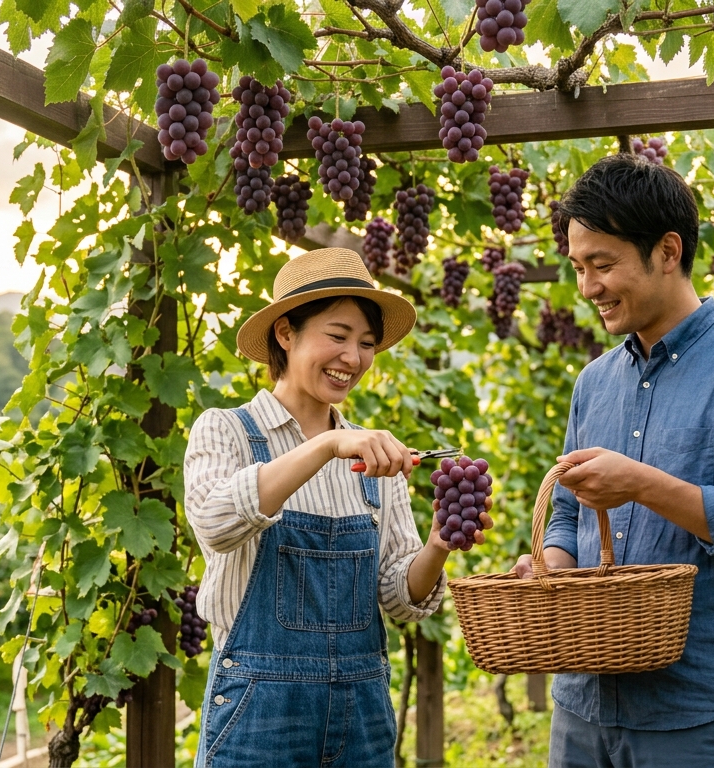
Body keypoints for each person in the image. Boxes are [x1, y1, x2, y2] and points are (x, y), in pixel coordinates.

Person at [510, 155, 714, 767]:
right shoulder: (593, 382)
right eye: (578, 267)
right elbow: (566, 510)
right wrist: (556, 567)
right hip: (582, 706)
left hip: (696, 712)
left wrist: (643, 485)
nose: (588, 287)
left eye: (603, 265)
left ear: (668, 251)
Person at [182, 248, 493, 768]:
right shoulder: (226, 429)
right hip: (258, 717)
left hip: (361, 717)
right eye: (338, 335)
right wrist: (325, 446)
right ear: (286, 333)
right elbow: (215, 524)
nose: (353, 357)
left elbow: (397, 597)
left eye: (367, 344)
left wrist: (439, 543)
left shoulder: (370, 451)